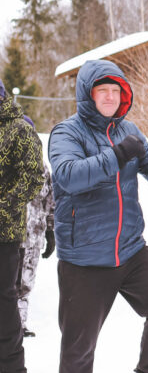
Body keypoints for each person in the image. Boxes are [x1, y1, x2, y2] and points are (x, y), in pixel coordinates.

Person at [48, 59, 148, 373]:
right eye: (103, 90)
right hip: (85, 259)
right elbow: (69, 176)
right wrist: (116, 155)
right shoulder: (66, 133)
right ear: (88, 94)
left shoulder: (127, 130)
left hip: (130, 250)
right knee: (78, 351)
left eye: (117, 90)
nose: (111, 97)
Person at [0, 78, 44, 373]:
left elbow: (33, 178)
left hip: (4, 234)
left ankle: (12, 367)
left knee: (4, 304)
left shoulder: (19, 129)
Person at [17, 124, 56, 337]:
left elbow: (51, 203)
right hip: (8, 237)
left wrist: (51, 232)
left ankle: (19, 325)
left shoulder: (42, 168)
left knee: (24, 284)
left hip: (33, 239)